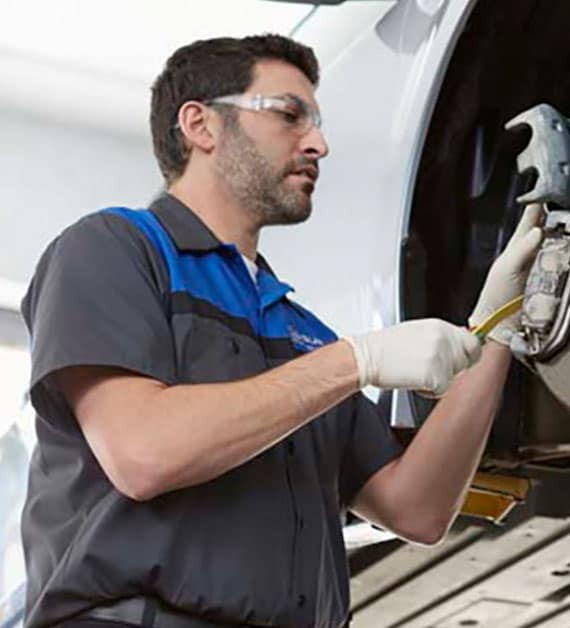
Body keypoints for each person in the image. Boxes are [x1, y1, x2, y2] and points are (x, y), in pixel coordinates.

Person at [19, 34, 542, 628]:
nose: (318, 144)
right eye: (289, 116)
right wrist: (356, 362)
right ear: (200, 125)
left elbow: (416, 509)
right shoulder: (114, 249)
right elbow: (144, 453)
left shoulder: (299, 332)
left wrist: (497, 330)